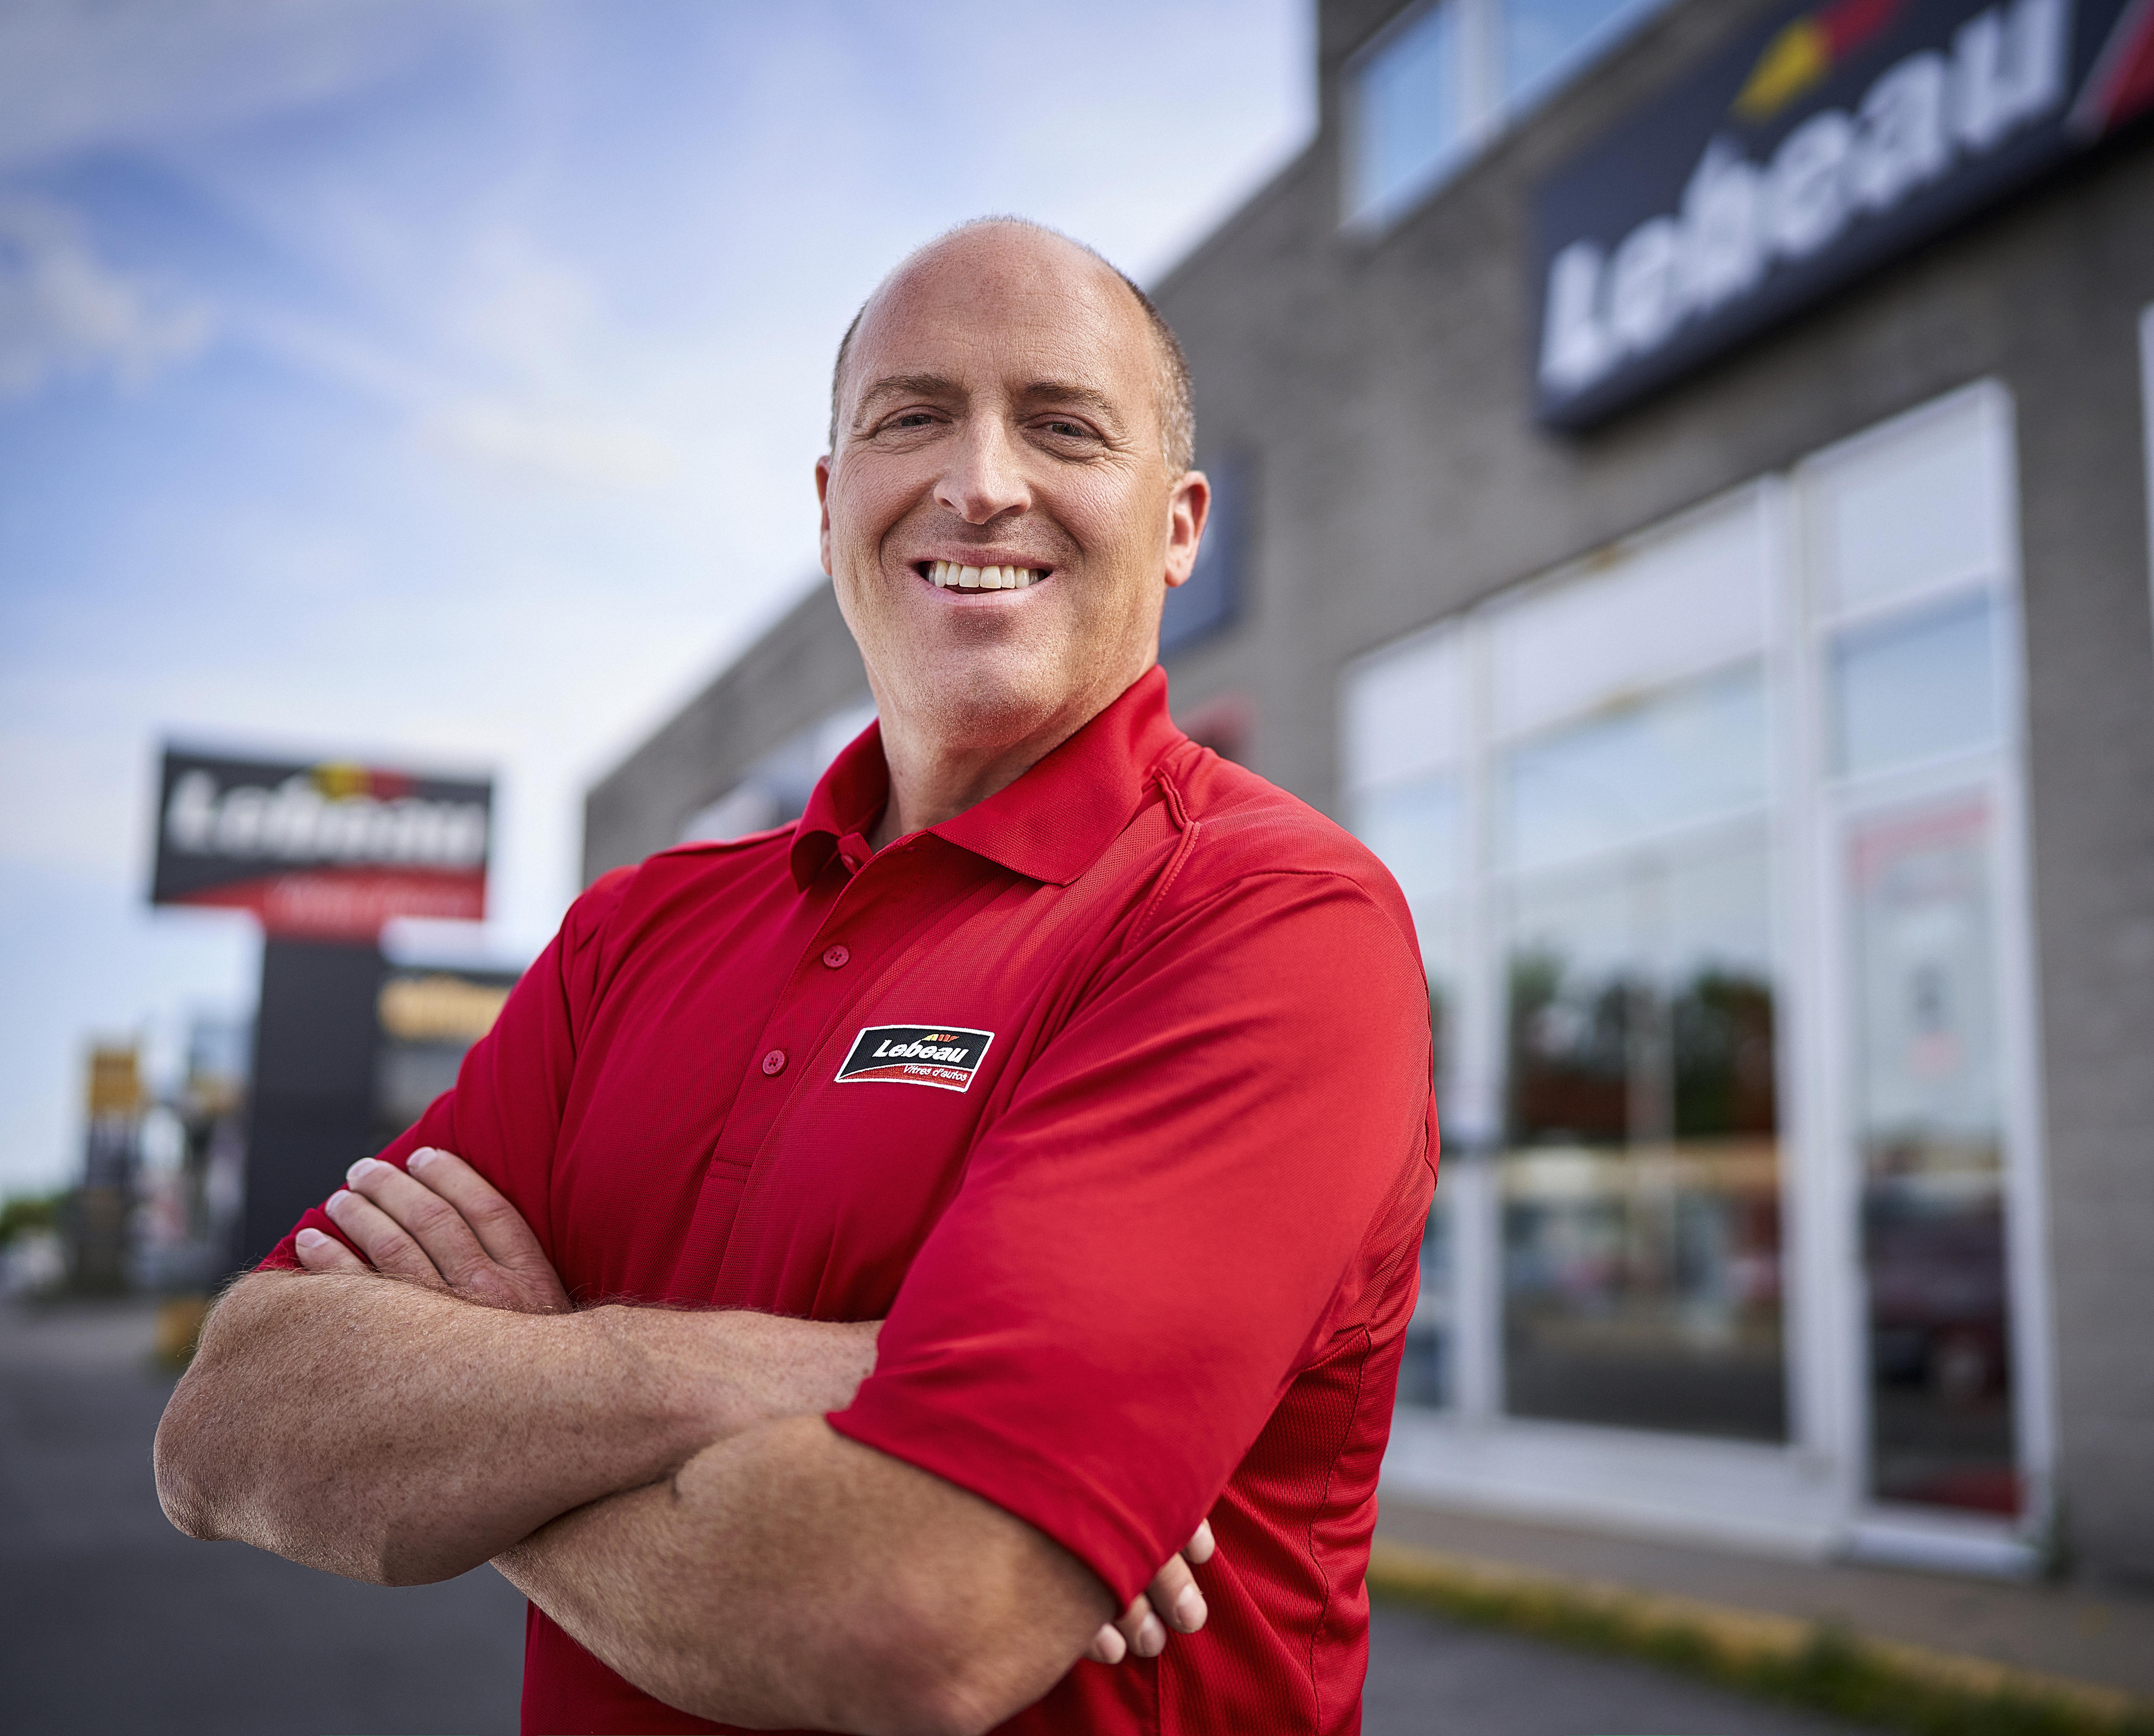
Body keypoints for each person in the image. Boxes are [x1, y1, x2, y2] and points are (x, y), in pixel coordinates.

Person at [154, 218, 1439, 1736]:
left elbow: (909, 1614)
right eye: (912, 418)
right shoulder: (632, 937)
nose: (980, 481)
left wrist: (495, 1415)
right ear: (834, 506)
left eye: (1062, 426)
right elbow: (230, 1420)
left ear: (1178, 525)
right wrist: (787, 1377)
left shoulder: (1265, 919)